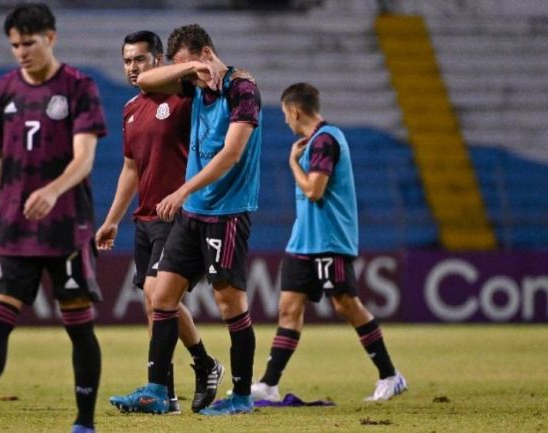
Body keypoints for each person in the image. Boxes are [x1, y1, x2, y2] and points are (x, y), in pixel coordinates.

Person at [0, 4, 107, 433]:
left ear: (51, 37)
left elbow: (85, 159)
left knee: (78, 326)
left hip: (66, 226)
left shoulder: (79, 88)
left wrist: (51, 190)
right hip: (12, 227)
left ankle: (84, 423)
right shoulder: (2, 91)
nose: (21, 52)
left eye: (29, 43)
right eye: (14, 45)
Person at [109, 24, 262, 416]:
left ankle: (242, 396)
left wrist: (182, 191)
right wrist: (185, 70)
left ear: (207, 53)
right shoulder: (193, 86)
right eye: (184, 69)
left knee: (230, 304)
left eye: (193, 65)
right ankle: (158, 391)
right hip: (193, 214)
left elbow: (230, 155)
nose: (191, 76)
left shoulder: (242, 89)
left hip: (226, 212)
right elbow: (145, 79)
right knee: (161, 298)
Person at [250, 82, 407, 403]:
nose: (285, 121)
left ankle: (391, 376)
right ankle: (268, 384)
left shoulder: (325, 141)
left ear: (295, 110)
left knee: (345, 304)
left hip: (329, 240)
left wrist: (292, 163)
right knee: (288, 308)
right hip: (303, 241)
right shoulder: (317, 142)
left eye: (285, 114)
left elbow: (314, 190)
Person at [95, 30, 224, 415]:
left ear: (157, 61)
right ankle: (172, 389)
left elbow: (207, 74)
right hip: (145, 217)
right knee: (155, 305)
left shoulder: (183, 95)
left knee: (156, 294)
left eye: (139, 59)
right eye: (127, 61)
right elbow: (131, 168)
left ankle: (179, 378)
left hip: (179, 214)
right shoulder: (131, 109)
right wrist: (113, 219)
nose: (132, 67)